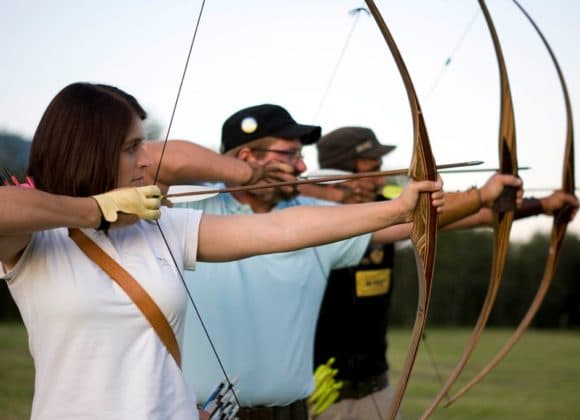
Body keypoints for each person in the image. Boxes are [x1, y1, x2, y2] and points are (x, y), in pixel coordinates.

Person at [0, 84, 445, 420]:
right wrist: (95, 209)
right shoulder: (39, 239)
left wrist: (396, 209)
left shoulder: (162, 227)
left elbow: (281, 229)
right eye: (133, 148)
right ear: (90, 152)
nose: (145, 161)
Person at [160, 104, 523, 420]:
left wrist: (482, 196)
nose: (302, 165)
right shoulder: (189, 213)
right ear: (246, 157)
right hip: (203, 413)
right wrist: (247, 177)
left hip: (292, 414)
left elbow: (403, 221)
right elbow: (155, 162)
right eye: (289, 154)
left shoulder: (312, 217)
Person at [299, 126, 578, 420]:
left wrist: (543, 205)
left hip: (377, 389)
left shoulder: (387, 207)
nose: (382, 178)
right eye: (373, 168)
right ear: (344, 172)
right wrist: (481, 194)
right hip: (324, 392)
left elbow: (463, 216)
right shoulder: (316, 221)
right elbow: (405, 220)